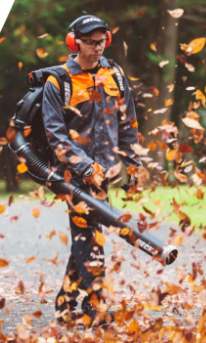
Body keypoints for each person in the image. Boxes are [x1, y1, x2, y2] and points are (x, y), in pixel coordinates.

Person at [42, 15, 141, 326]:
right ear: (75, 42)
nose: (96, 48)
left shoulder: (115, 75)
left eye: (101, 42)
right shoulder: (59, 81)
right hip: (72, 174)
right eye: (89, 42)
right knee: (89, 236)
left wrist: (133, 163)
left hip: (106, 173)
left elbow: (127, 123)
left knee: (88, 233)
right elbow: (55, 136)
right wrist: (85, 166)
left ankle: (65, 301)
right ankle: (95, 303)